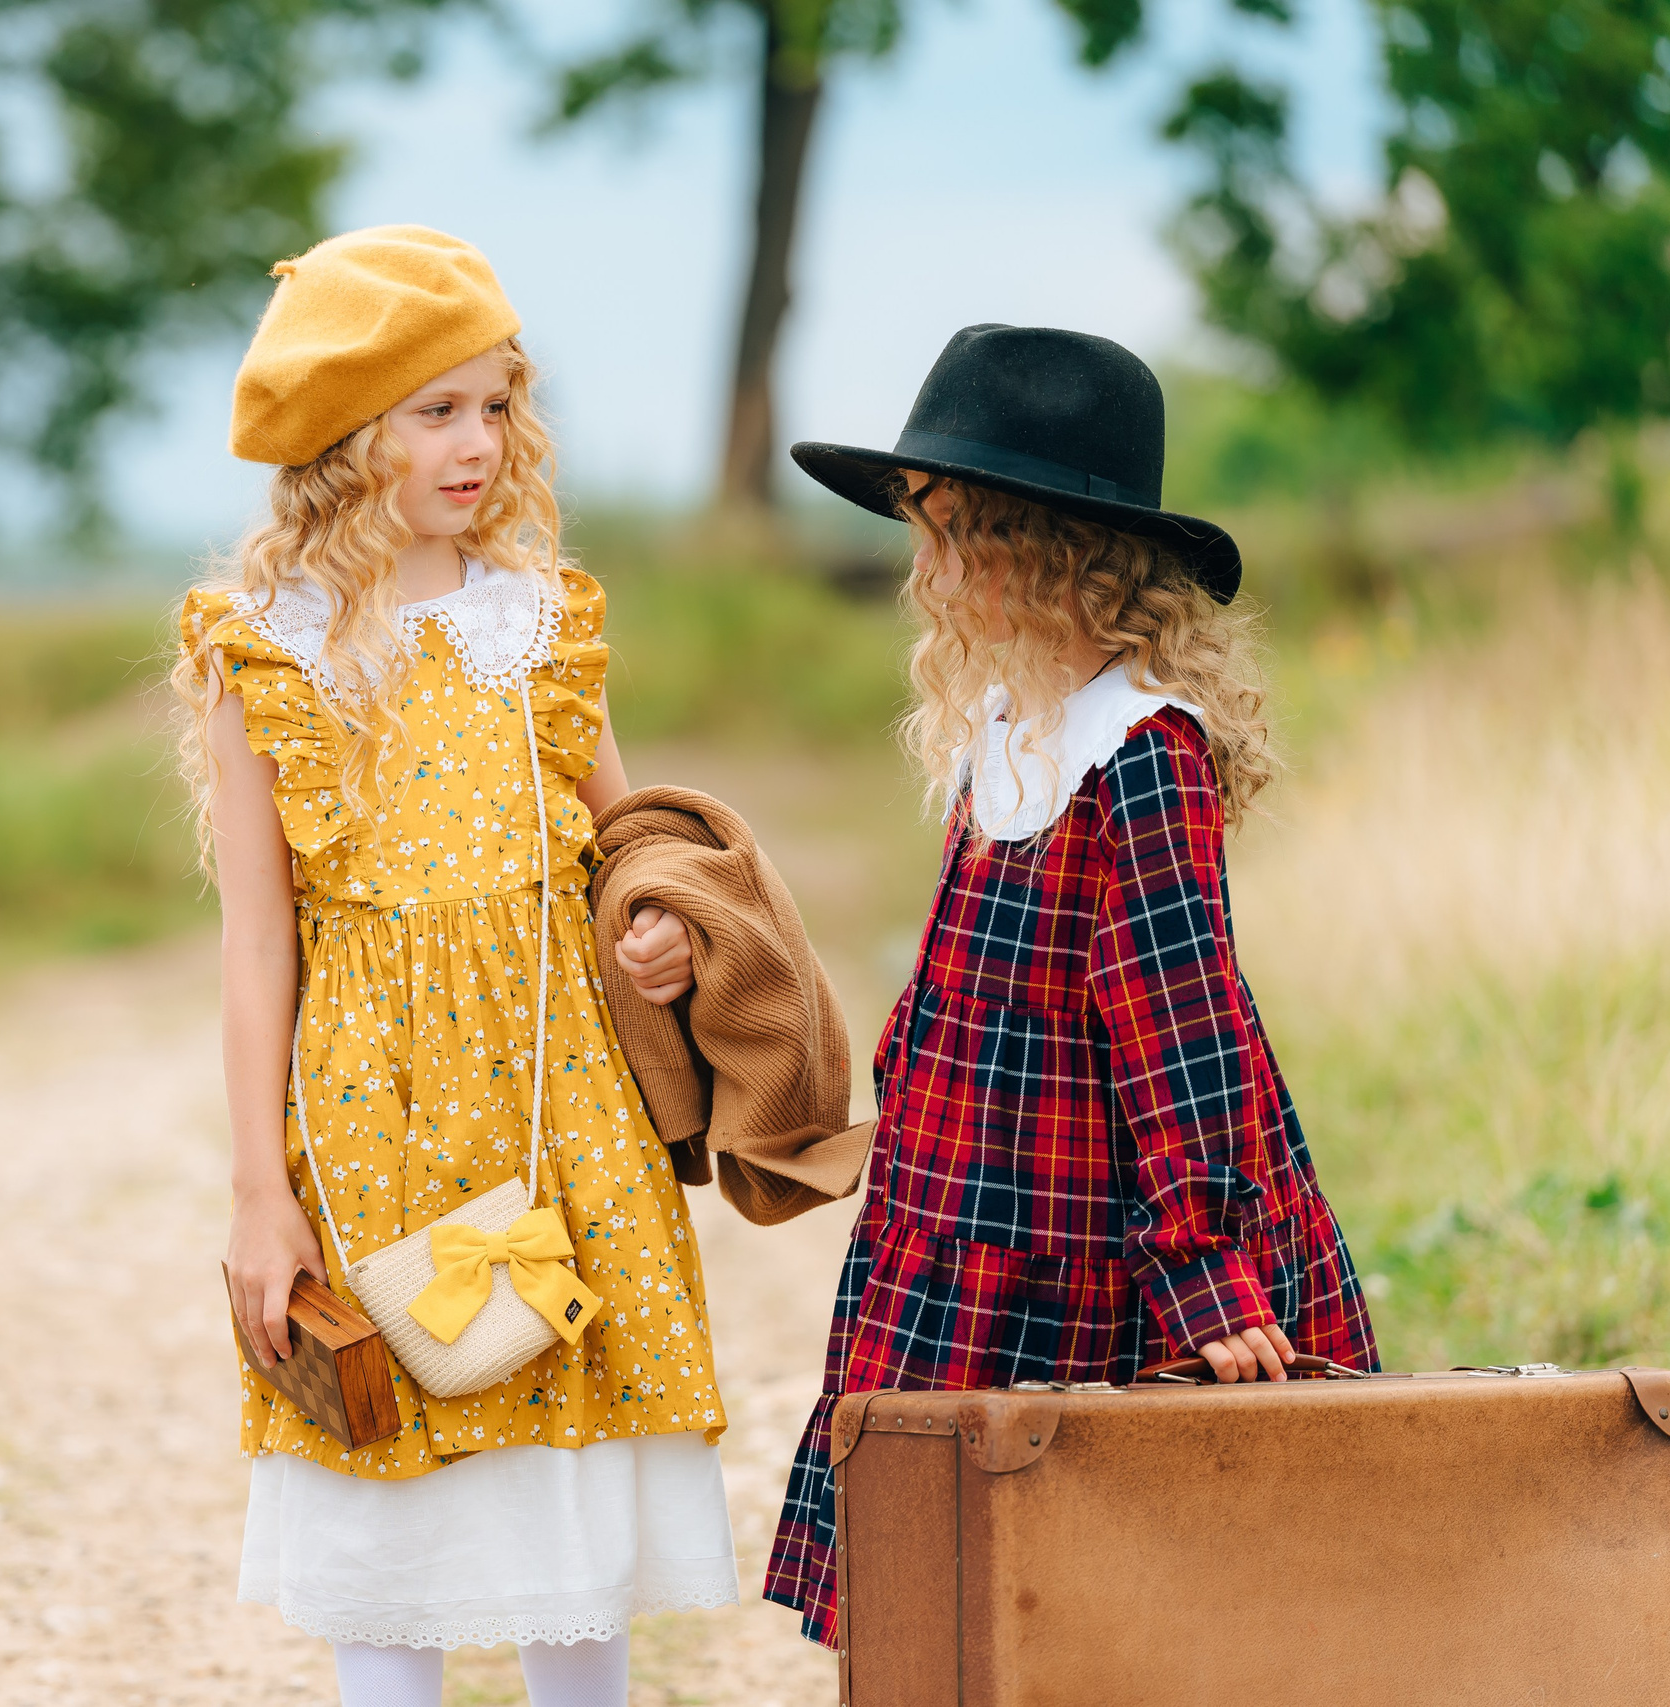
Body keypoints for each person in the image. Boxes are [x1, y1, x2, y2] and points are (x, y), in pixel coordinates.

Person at [173, 225, 737, 1707]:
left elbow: (633, 851)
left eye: (496, 405)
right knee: (395, 1488)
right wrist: (257, 1189)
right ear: (348, 436)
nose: (477, 442)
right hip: (375, 1126)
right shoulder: (271, 652)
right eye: (436, 411)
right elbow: (255, 934)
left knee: (569, 1477)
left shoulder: (541, 623)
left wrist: (660, 926)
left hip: (564, 1111)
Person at [761, 325, 1380, 1647]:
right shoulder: (1008, 725)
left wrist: (1210, 1279)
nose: (920, 570)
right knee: (944, 1595)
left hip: (1087, 1254)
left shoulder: (1139, 752)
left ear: (1044, 554)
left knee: (1092, 1600)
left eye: (948, 533)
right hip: (964, 1227)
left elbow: (1184, 1029)